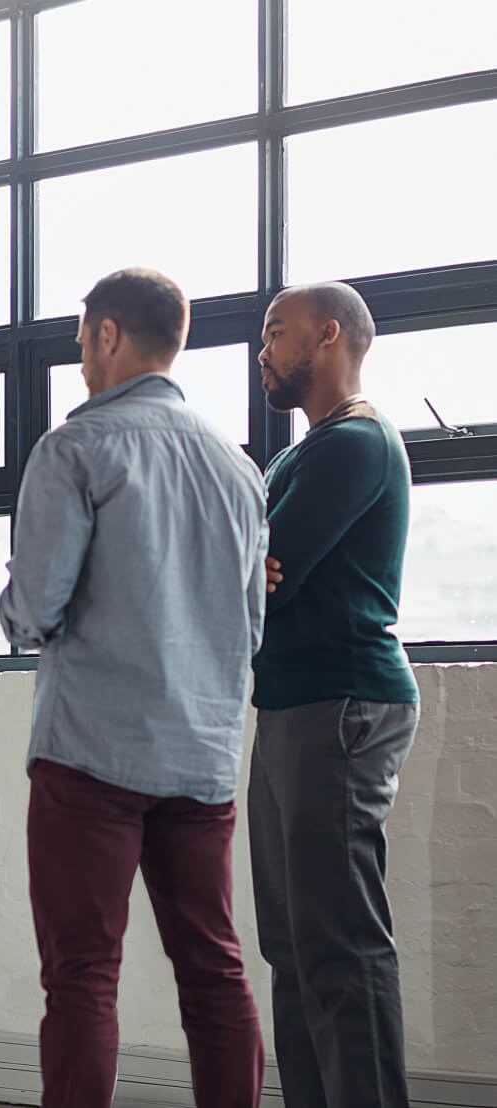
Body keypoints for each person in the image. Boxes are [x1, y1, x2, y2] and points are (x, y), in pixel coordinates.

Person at [0, 267, 268, 1108]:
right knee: (215, 968)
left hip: (92, 756)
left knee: (82, 974)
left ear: (108, 334)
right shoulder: (239, 468)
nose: (82, 357)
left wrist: (9, 610)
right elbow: (251, 626)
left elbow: (36, 609)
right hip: (202, 756)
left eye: (82, 339)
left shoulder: (75, 448)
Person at [249, 281, 420, 1108]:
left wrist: (248, 561)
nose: (262, 351)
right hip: (290, 703)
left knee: (341, 946)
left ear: (326, 337)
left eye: (274, 333)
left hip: (342, 704)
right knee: (291, 944)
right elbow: (251, 567)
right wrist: (249, 562)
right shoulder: (298, 453)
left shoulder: (355, 442)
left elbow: (265, 573)